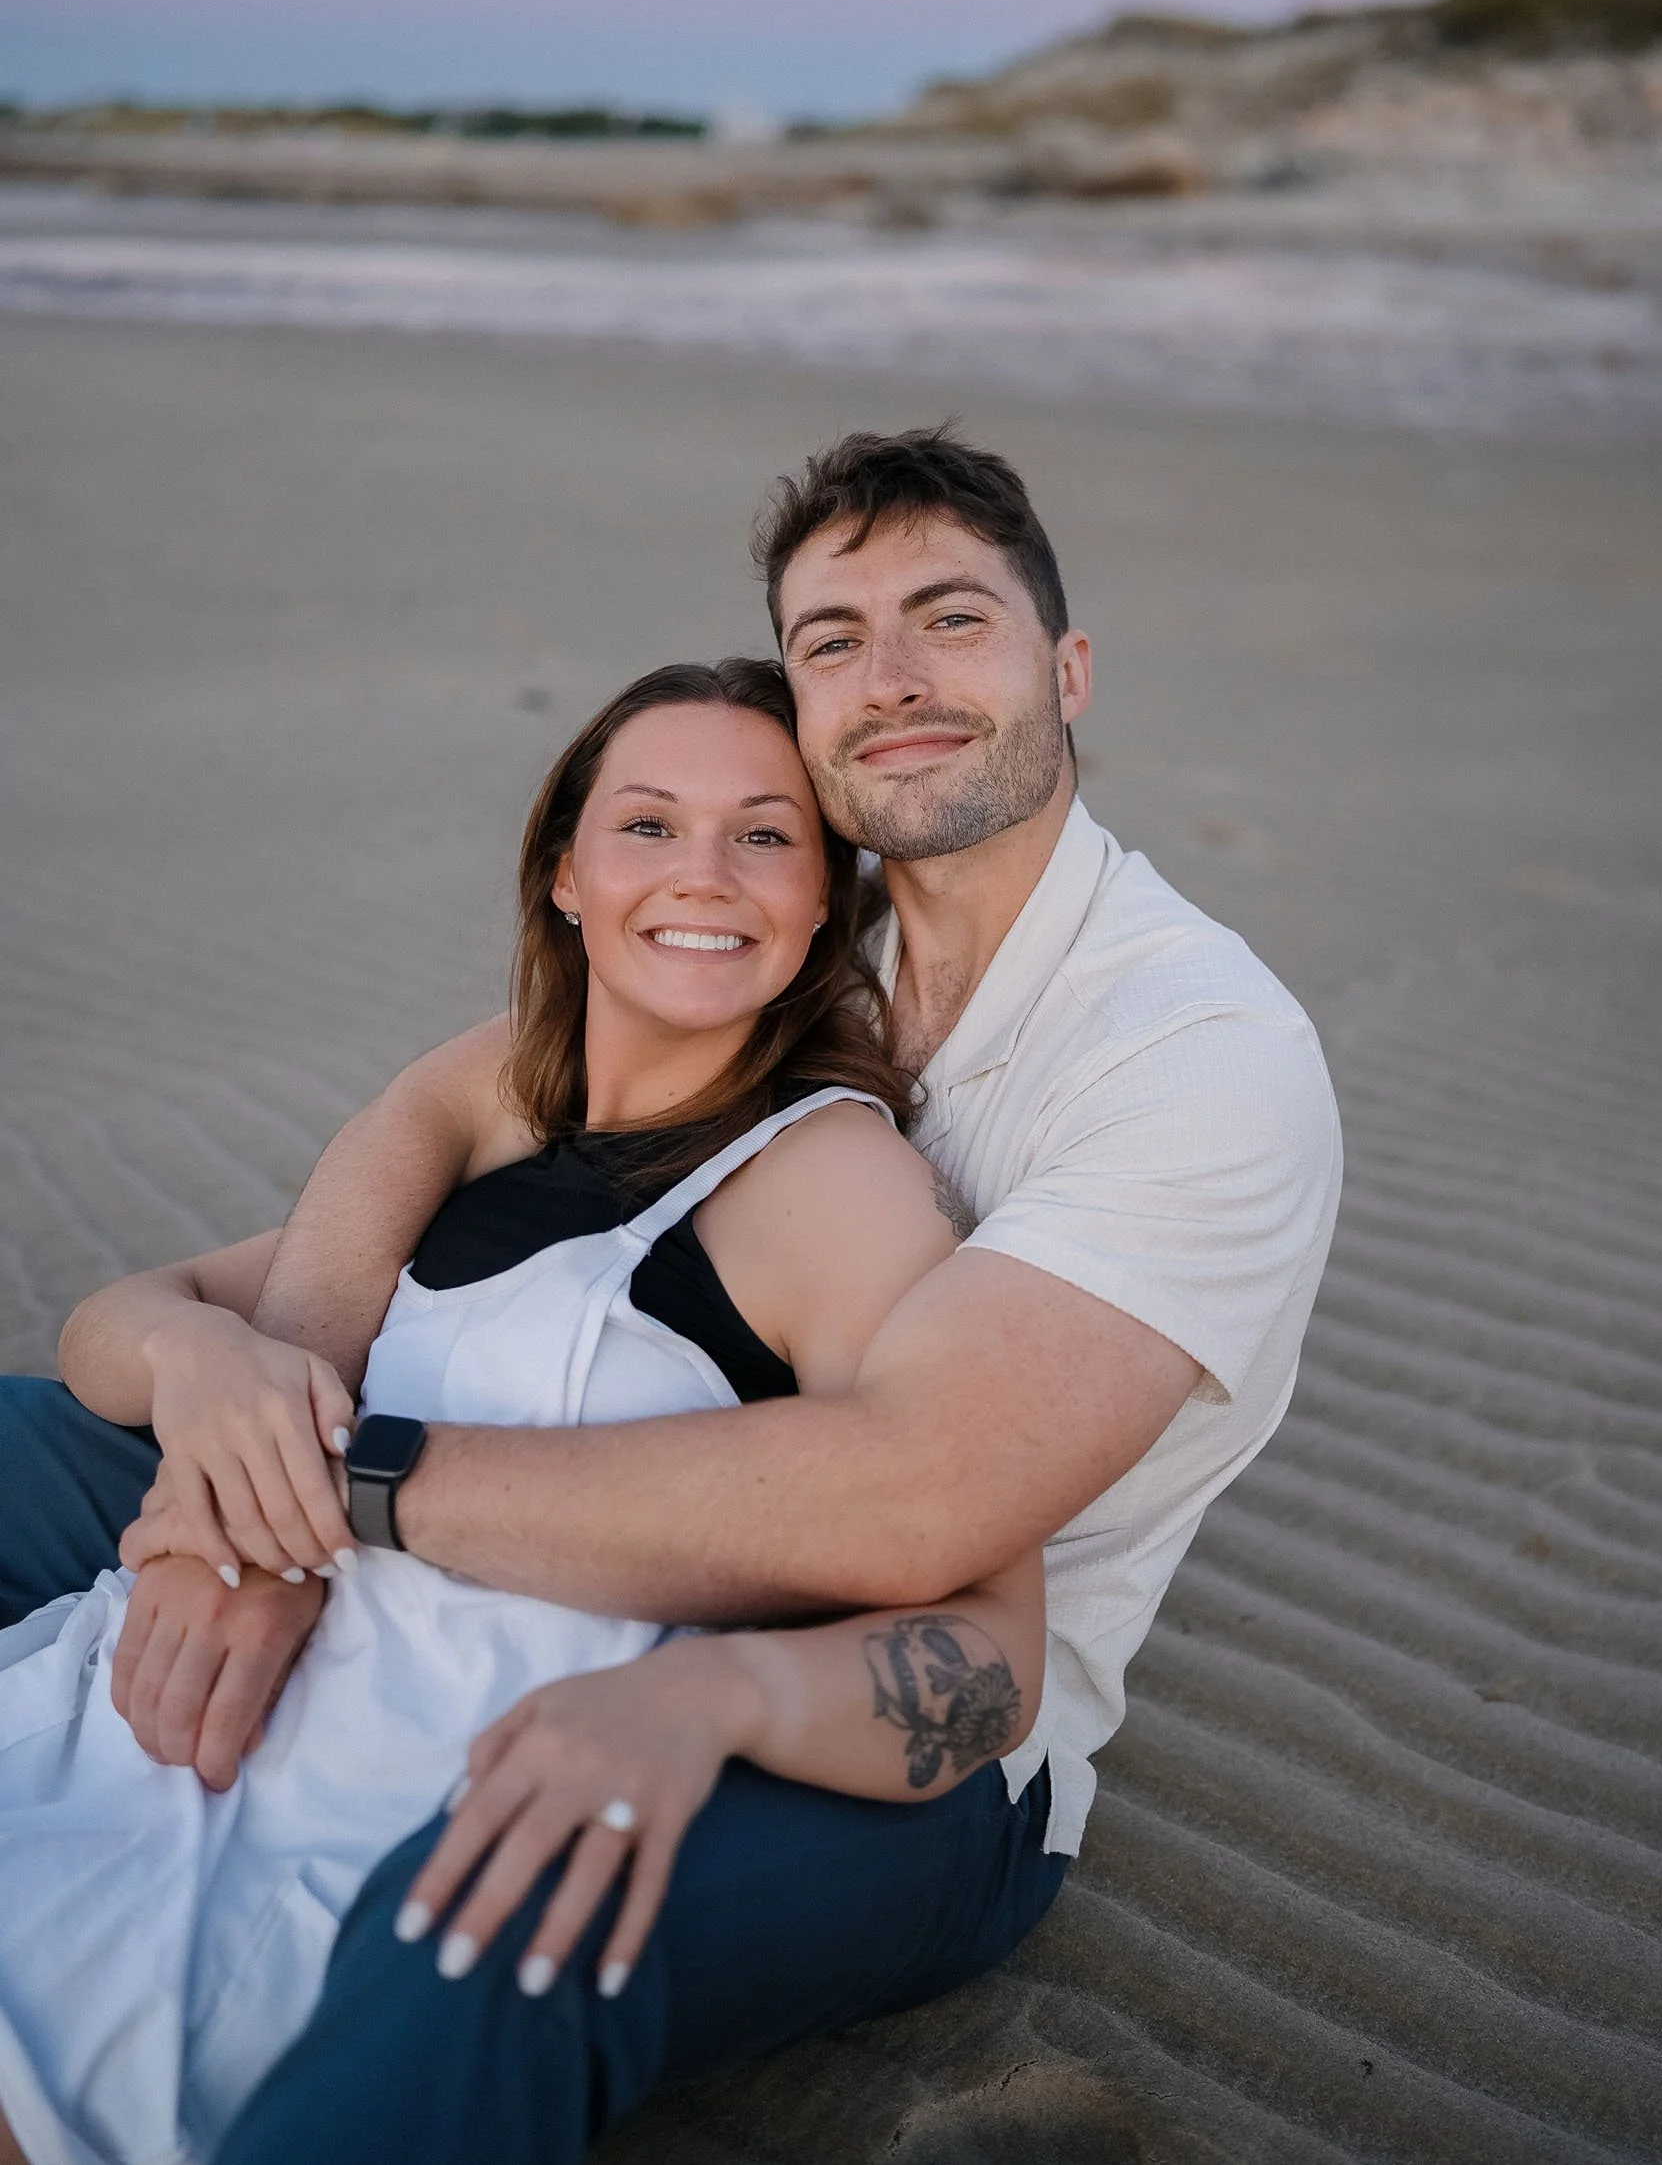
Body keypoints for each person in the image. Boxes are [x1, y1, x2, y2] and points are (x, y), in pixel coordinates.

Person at [0, 426, 1342, 2165]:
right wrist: (238, 1431)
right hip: (537, 1513)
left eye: (952, 619)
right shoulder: (790, 935)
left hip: (892, 1713)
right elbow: (447, 1097)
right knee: (34, 1441)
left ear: (1066, 670)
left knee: (505, 1916)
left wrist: (313, 1497)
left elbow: (921, 1508)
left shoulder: (1195, 1054)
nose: (895, 680)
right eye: (834, 640)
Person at [0, 658, 1053, 2165]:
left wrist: (720, 1703)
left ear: (827, 899)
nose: (704, 874)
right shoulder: (508, 1114)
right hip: (224, 1679)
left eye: (764, 836)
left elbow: (985, 1643)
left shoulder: (832, 1187)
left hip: (411, 1745)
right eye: (647, 825)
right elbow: (118, 1326)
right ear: (564, 874)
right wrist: (208, 1368)